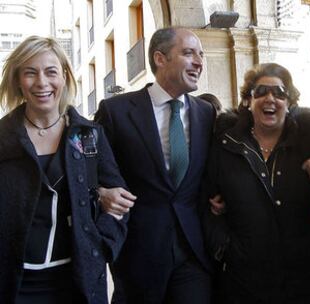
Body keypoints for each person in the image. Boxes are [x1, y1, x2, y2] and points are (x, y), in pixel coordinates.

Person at [0, 36, 135, 304]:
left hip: (76, 282)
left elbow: (121, 203)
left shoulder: (89, 135)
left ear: (64, 77)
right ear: (17, 80)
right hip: (13, 282)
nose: (42, 82)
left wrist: (101, 245)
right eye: (30, 73)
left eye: (51, 72)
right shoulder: (3, 137)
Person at [95, 27, 215, 304]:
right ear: (160, 59)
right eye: (188, 53)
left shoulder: (206, 113)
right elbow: (92, 170)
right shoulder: (116, 112)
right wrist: (101, 192)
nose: (199, 61)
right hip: (138, 255)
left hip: (193, 253)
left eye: (201, 54)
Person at [202, 62, 310, 304]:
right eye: (260, 92)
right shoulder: (226, 144)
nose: (270, 98)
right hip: (243, 278)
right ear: (248, 101)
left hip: (303, 276)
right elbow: (206, 199)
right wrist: (224, 249)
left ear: (290, 102)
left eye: (279, 93)